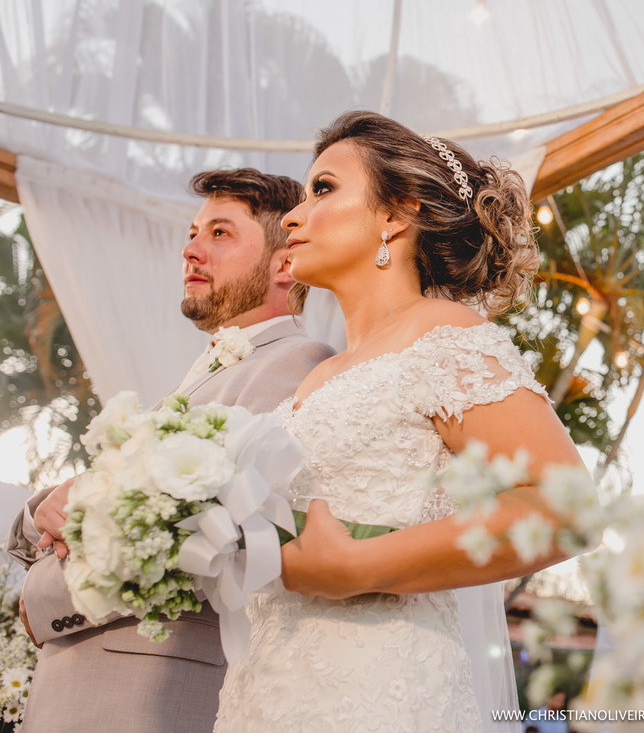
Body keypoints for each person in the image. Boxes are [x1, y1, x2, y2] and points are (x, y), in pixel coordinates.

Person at [213, 111, 590, 732]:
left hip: (380, 691)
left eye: (324, 189)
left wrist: (361, 565)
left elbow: (567, 509)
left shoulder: (447, 337)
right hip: (269, 692)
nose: (292, 216)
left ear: (396, 214)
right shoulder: (319, 378)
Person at [5, 168, 335, 733]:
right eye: (193, 231)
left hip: (144, 701)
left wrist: (36, 603)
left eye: (220, 234)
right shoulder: (194, 381)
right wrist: (41, 512)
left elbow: (196, 534)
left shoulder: (295, 365)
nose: (190, 249)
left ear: (285, 263)